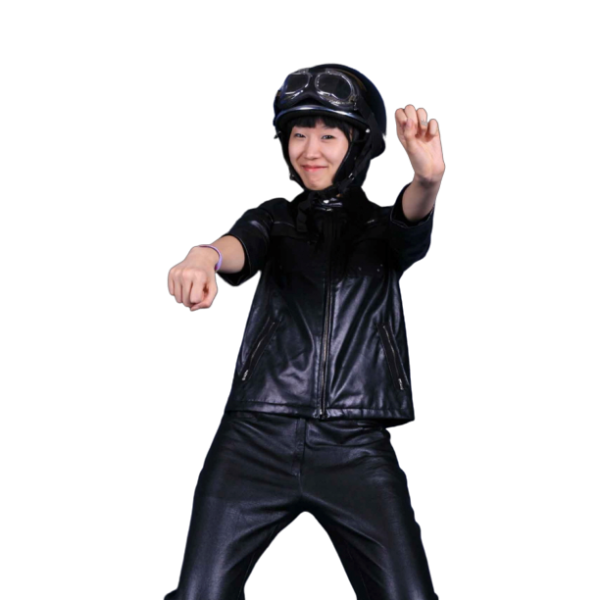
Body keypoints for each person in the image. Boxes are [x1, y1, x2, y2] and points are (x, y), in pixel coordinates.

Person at [164, 62, 445, 600]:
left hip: (355, 445)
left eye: (328, 135)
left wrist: (427, 179)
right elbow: (239, 244)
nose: (310, 150)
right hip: (253, 439)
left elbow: (412, 219)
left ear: (358, 146)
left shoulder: (382, 229)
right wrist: (203, 256)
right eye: (299, 134)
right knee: (199, 593)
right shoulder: (275, 218)